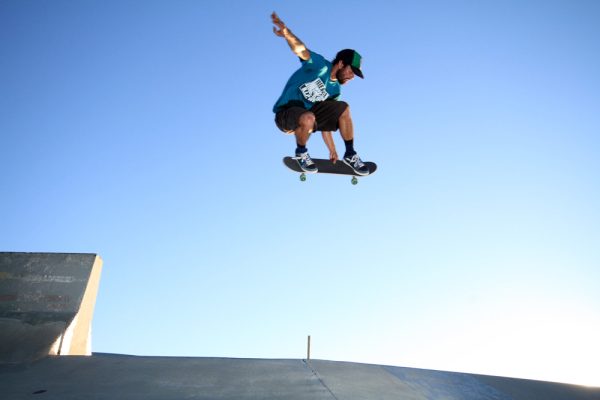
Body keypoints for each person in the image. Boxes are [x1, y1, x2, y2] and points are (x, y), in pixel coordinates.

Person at [271, 12, 369, 175]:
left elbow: (326, 124)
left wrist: (332, 149)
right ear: (341, 63)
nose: (352, 77)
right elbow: (301, 50)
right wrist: (288, 34)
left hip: (309, 118)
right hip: (286, 114)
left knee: (343, 108)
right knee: (308, 117)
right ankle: (301, 152)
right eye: (351, 71)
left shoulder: (335, 90)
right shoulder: (320, 66)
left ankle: (350, 153)